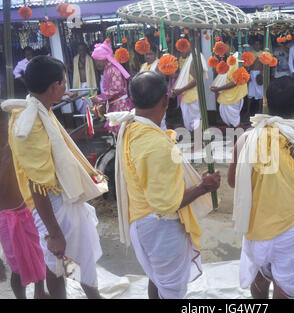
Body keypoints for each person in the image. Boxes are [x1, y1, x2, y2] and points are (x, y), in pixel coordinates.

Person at [107, 71, 220, 299]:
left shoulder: (131, 126)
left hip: (143, 221)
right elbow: (169, 204)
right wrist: (203, 187)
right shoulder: (154, 142)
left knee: (158, 279)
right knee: (172, 290)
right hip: (159, 227)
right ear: (165, 101)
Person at [5, 55, 107, 299]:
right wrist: (55, 233)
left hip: (59, 198)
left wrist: (87, 174)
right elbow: (38, 185)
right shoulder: (29, 125)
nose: (66, 86)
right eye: (63, 82)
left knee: (72, 256)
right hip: (51, 204)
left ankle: (88, 294)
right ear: (53, 88)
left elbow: (59, 158)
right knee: (60, 260)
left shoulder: (38, 109)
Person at [228, 76, 294, 299]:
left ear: (267, 104)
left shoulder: (246, 139)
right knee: (285, 285)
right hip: (290, 233)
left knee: (260, 277)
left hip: (256, 227)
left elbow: (233, 182)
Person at [0, 107, 47, 299]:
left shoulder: (15, 145)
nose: (5, 131)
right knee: (17, 267)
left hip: (28, 210)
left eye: (6, 126)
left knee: (39, 256)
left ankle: (39, 293)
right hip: (7, 218)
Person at [91, 39, 133, 135]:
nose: (97, 63)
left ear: (105, 59)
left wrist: (99, 97)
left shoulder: (113, 70)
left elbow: (117, 88)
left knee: (122, 132)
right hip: (115, 104)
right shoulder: (108, 69)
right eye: (96, 61)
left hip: (120, 105)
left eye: (99, 60)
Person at [172, 45, 208, 132]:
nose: (181, 49)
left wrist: (181, 90)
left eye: (184, 46)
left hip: (194, 96)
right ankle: (196, 142)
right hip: (186, 96)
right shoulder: (189, 58)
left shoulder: (195, 58)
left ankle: (198, 142)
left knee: (196, 122)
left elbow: (197, 80)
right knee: (189, 122)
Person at [211, 48, 248, 128]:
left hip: (233, 97)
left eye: (224, 45)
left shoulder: (236, 60)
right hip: (230, 96)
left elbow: (235, 82)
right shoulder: (231, 59)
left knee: (234, 122)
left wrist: (218, 89)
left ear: (232, 47)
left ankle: (238, 138)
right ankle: (236, 137)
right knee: (232, 122)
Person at [72, 43, 97, 114]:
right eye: (80, 50)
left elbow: (94, 72)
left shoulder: (90, 59)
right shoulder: (75, 59)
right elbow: (74, 72)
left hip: (89, 84)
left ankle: (91, 119)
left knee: (90, 102)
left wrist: (96, 84)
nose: (81, 51)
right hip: (79, 85)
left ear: (85, 50)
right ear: (77, 50)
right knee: (80, 102)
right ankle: (83, 119)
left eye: (83, 49)